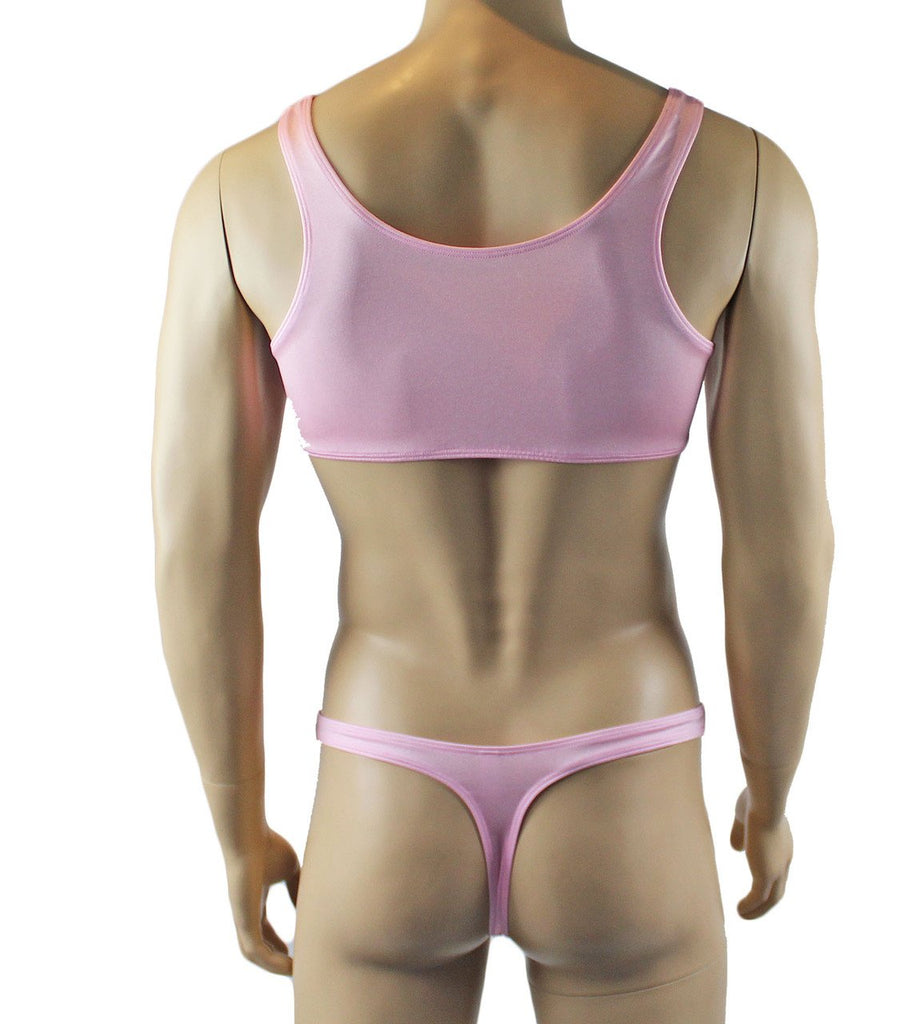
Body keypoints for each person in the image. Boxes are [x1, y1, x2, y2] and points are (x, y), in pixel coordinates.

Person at [151, 2, 833, 1021]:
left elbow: (195, 547)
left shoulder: (239, 194)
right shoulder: (741, 179)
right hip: (623, 782)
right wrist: (771, 787)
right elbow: (784, 548)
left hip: (388, 789)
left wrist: (234, 818)